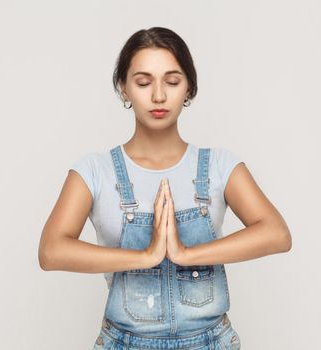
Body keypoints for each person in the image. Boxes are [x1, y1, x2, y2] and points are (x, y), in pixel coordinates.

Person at [38, 26, 292, 350]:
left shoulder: (218, 166)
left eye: (172, 82)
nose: (158, 95)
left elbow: (277, 234)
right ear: (124, 89)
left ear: (188, 89)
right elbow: (50, 251)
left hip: (211, 342)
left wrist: (185, 254)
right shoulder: (95, 171)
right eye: (143, 82)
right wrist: (145, 256)